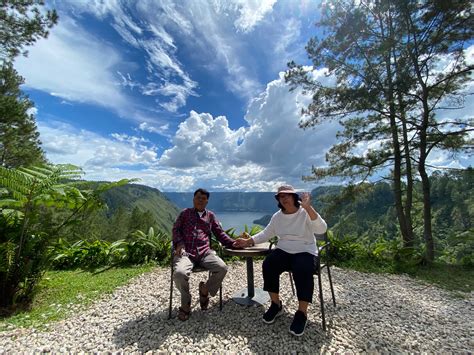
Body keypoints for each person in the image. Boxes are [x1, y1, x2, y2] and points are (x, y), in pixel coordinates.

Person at [234, 184, 327, 336]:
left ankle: (302, 313)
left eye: (287, 195)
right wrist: (248, 241)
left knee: (302, 268)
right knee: (269, 264)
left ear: (294, 197)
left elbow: (322, 229)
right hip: (284, 250)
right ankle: (276, 304)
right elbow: (266, 234)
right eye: (281, 196)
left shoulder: (305, 213)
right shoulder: (278, 217)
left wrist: (309, 208)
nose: (284, 198)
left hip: (305, 251)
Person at [172, 188, 236, 321]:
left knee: (222, 268)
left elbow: (220, 234)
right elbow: (176, 229)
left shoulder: (210, 216)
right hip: (186, 253)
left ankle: (205, 290)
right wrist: (179, 243)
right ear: (193, 199)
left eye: (203, 198)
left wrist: (234, 243)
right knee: (179, 273)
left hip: (205, 252)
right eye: (197, 197)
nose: (200, 200)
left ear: (207, 201)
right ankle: (185, 304)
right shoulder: (185, 213)